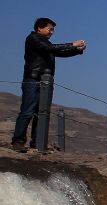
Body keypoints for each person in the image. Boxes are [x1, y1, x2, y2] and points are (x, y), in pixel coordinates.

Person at [11, 18, 86, 152]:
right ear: (40, 28)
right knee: (27, 111)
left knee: (42, 113)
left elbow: (56, 51)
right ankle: (18, 141)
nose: (52, 32)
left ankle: (38, 142)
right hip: (33, 80)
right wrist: (72, 44)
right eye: (50, 29)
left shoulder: (45, 43)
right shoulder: (33, 39)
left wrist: (77, 50)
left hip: (46, 81)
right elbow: (50, 48)